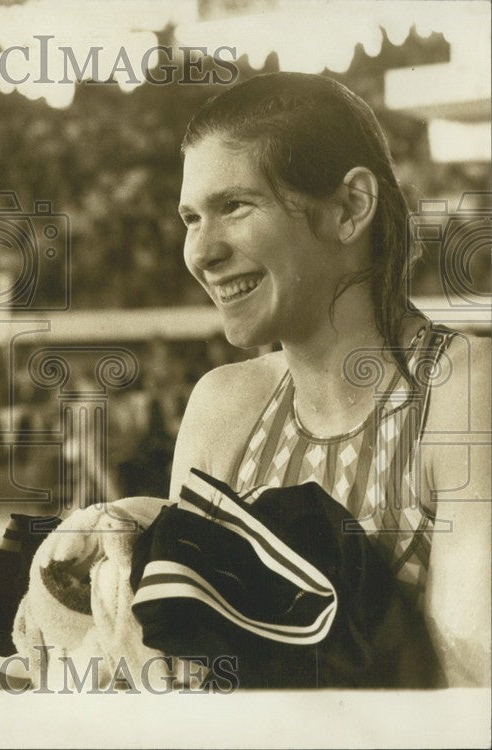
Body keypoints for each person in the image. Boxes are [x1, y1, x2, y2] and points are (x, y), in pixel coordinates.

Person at [169, 72, 490, 686]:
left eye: (233, 206)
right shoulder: (223, 406)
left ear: (350, 208)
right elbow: (184, 680)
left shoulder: (462, 391)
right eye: (190, 217)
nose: (201, 252)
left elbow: (476, 700)